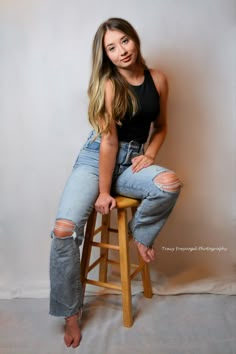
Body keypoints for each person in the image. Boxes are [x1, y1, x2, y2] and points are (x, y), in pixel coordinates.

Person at [49, 17, 182, 348]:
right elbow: (108, 142)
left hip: (133, 161)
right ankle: (70, 314)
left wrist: (150, 154)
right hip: (97, 158)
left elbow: (162, 125)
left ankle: (142, 235)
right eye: (111, 47)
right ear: (105, 55)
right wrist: (104, 192)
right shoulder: (109, 85)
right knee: (64, 229)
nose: (121, 50)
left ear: (134, 39)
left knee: (169, 183)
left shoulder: (159, 79)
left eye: (124, 41)